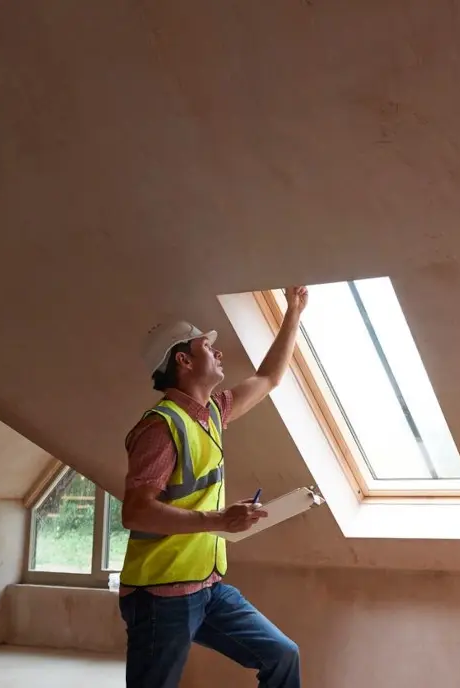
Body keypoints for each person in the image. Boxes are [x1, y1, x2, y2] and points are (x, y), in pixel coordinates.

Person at [118, 286, 309, 688]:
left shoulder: (212, 414)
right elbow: (135, 511)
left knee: (282, 656)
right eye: (208, 346)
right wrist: (218, 518)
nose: (219, 352)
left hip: (208, 588)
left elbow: (269, 376)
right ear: (183, 360)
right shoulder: (160, 426)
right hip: (160, 596)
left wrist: (293, 311)